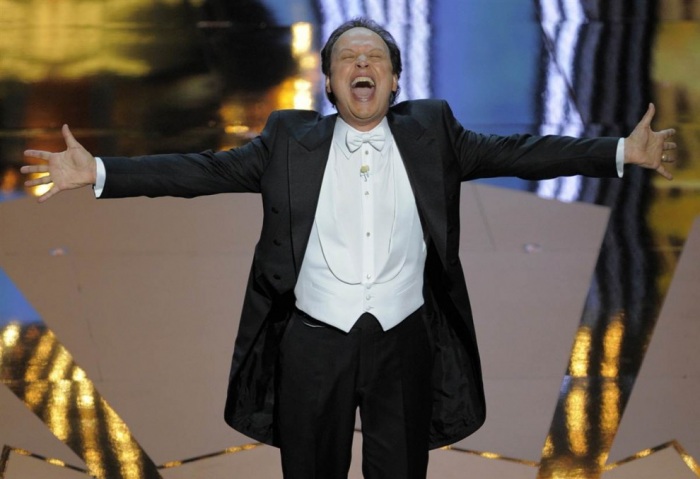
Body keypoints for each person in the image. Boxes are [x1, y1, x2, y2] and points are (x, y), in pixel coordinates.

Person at [22, 17, 675, 479]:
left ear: (394, 82)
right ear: (330, 85)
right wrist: (99, 171)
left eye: (375, 59)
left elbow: (525, 153)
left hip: (404, 339)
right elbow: (200, 171)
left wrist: (621, 151)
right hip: (311, 343)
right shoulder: (287, 141)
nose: (362, 65)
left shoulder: (434, 133)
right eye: (347, 59)